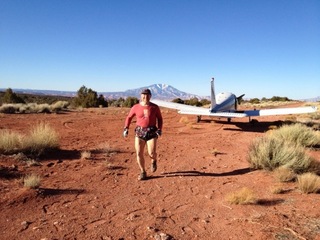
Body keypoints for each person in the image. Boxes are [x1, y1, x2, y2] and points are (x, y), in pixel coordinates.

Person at [123, 88, 163, 181]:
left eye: (148, 95)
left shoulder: (155, 107)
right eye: (144, 95)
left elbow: (160, 119)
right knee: (139, 153)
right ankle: (143, 172)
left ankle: (154, 160)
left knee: (152, 153)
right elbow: (129, 117)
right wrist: (126, 128)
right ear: (141, 96)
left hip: (152, 132)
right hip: (139, 132)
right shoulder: (135, 107)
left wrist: (160, 129)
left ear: (150, 96)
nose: (146, 97)